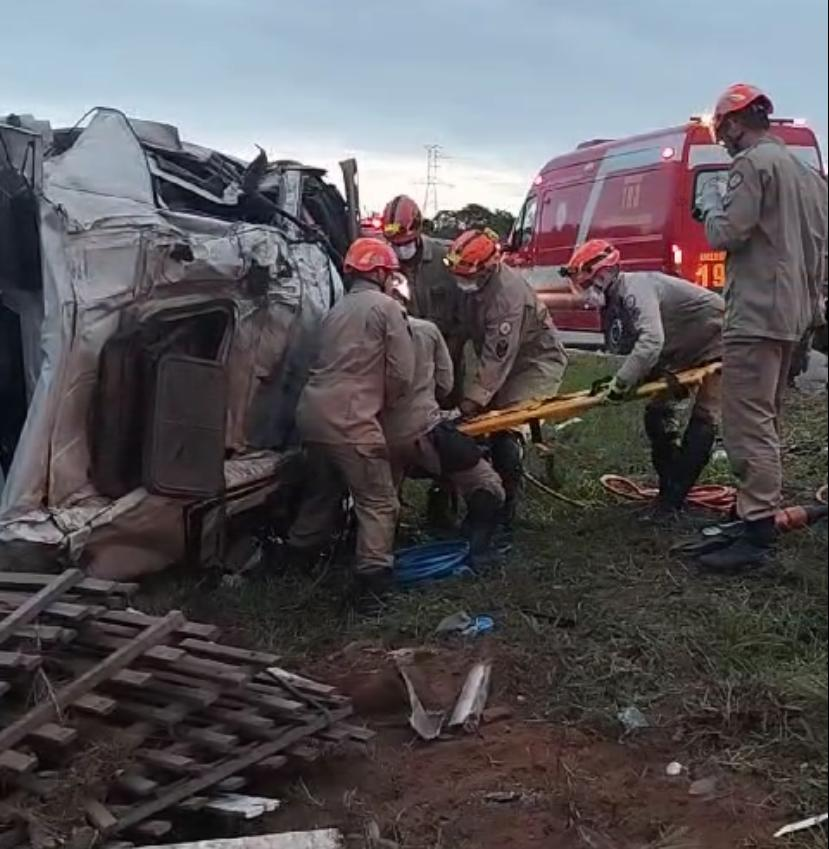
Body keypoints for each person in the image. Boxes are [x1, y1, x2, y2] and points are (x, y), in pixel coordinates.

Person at [695, 83, 828, 571]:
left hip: (755, 313)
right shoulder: (808, 174)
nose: (723, 139)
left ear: (732, 123)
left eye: (721, 130)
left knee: (747, 423)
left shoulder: (752, 165)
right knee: (767, 419)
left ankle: (755, 534)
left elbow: (727, 233)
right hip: (795, 316)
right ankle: (756, 510)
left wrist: (710, 201)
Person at [286, 237, 415, 601]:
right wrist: (388, 404)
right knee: (378, 502)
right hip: (351, 420)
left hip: (311, 414)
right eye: (389, 273)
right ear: (378, 272)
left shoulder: (335, 310)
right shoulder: (387, 309)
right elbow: (402, 372)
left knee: (321, 493)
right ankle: (371, 585)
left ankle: (295, 560)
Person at [562, 239, 724, 515]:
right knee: (656, 415)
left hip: (720, 341)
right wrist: (628, 381)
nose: (584, 294)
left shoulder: (635, 289)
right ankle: (670, 487)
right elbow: (650, 348)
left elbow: (651, 342)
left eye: (587, 286)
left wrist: (621, 384)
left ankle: (673, 501)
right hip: (684, 350)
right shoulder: (618, 299)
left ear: (602, 276)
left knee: (705, 418)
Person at [445, 228, 568, 530]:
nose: (462, 281)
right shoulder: (468, 284)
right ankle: (477, 499)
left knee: (504, 434)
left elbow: (495, 361)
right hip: (502, 362)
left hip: (534, 363)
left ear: (489, 268)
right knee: (477, 433)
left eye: (468, 275)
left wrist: (466, 406)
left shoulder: (508, 297)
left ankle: (505, 513)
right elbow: (456, 333)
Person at [381, 273, 506, 561]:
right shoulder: (427, 331)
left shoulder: (357, 334)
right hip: (424, 433)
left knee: (379, 501)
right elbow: (445, 384)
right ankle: (475, 552)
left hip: (373, 434)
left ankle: (377, 551)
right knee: (487, 485)